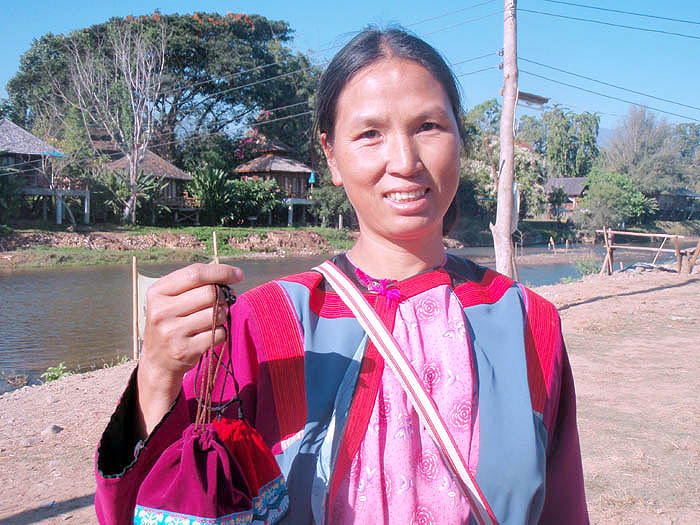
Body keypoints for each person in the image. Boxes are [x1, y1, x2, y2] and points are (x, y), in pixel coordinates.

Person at [95, 27, 588, 524]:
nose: (404, 162)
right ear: (331, 155)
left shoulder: (529, 323)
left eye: (429, 126)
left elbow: (563, 508)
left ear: (461, 138)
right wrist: (157, 375)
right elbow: (169, 503)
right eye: (370, 133)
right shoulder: (260, 326)